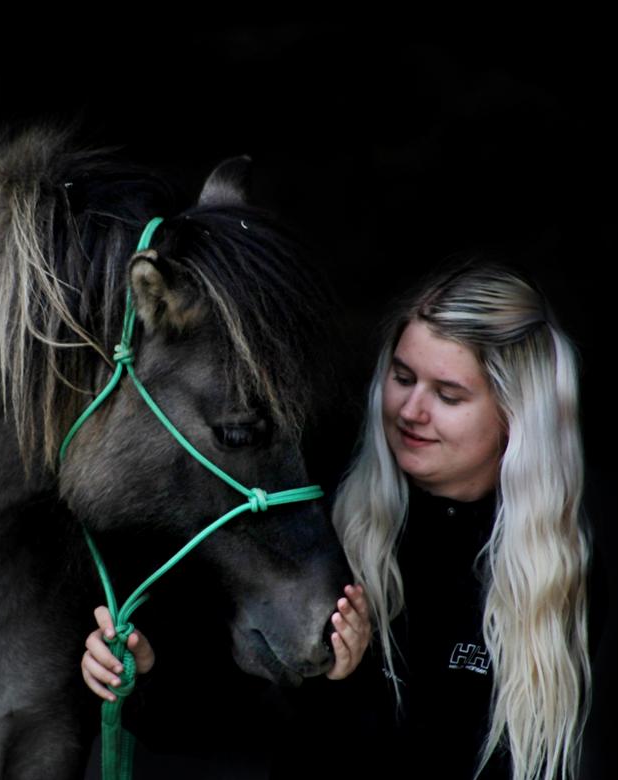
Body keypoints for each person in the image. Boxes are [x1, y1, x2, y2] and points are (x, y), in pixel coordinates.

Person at [81, 262, 591, 780]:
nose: (412, 410)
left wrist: (359, 681)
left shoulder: (579, 569)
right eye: (403, 377)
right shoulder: (316, 512)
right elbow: (230, 723)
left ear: (516, 414)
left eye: (448, 395)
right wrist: (144, 677)